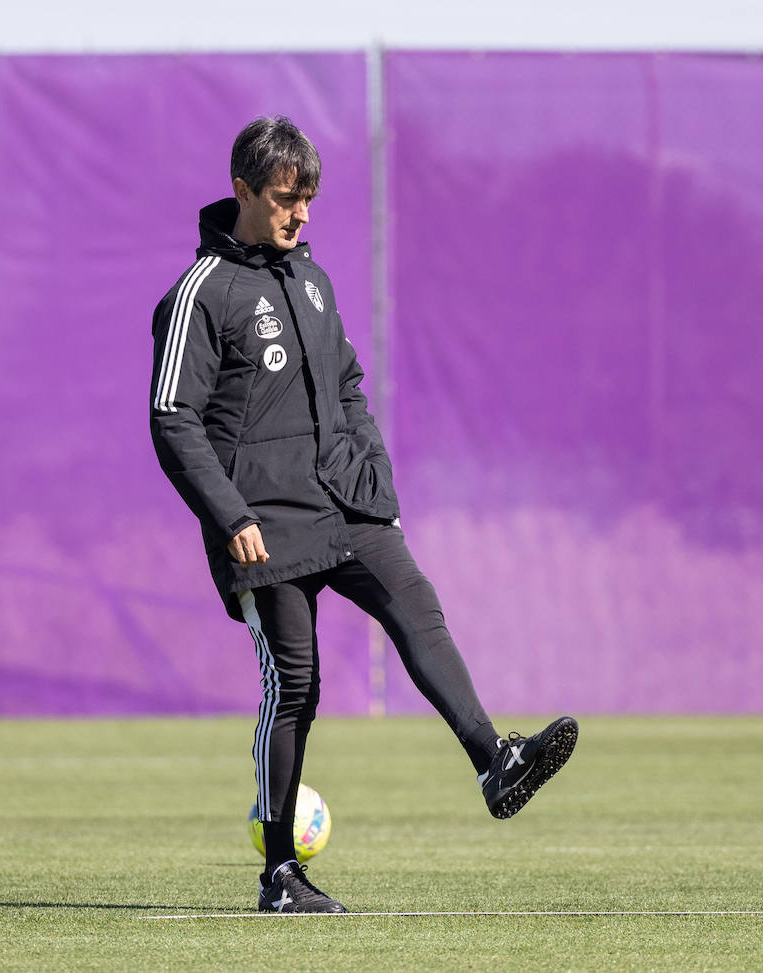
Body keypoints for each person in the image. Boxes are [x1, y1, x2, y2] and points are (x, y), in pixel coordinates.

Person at [149, 115, 577, 914]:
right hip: (262, 522)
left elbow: (348, 386)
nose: (301, 213)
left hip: (347, 503)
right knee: (297, 684)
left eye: (309, 198)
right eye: (285, 198)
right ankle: (281, 874)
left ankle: (495, 759)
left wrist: (373, 478)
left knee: (417, 605)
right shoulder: (200, 295)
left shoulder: (312, 281)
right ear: (243, 190)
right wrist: (228, 512)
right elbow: (172, 417)